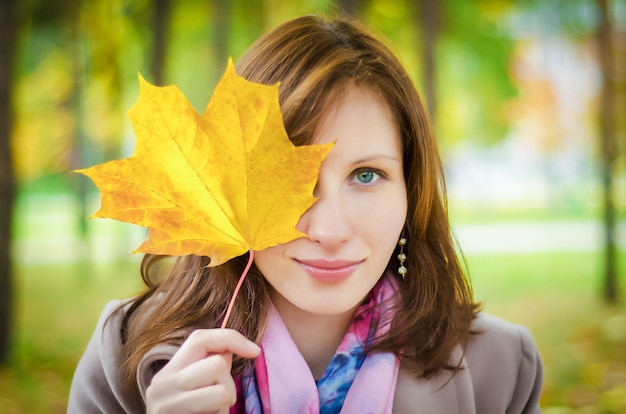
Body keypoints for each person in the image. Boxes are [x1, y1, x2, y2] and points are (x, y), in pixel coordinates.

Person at [68, 14, 543, 414]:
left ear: (411, 191)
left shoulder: (502, 369)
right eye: (292, 183)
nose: (329, 230)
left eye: (365, 175)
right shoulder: (124, 356)